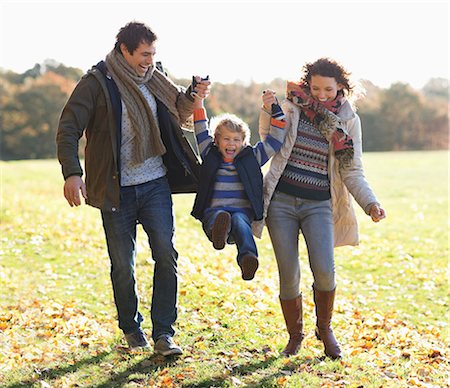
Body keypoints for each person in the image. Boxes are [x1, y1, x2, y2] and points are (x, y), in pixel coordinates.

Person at [56, 21, 210, 355]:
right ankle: (131, 327)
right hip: (116, 189)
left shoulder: (155, 77)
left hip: (155, 183)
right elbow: (68, 127)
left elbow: (178, 112)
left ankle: (164, 334)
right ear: (124, 51)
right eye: (143, 54)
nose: (149, 60)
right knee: (122, 265)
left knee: (166, 255)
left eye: (153, 54)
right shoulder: (96, 83)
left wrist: (193, 96)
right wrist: (72, 172)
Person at [254, 58, 386, 359]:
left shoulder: (349, 120)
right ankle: (295, 335)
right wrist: (267, 109)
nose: (322, 95)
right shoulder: (292, 106)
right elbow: (268, 137)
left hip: (319, 205)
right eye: (315, 88)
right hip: (281, 203)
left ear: (341, 87)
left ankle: (324, 329)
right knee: (289, 275)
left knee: (325, 271)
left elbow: (352, 169)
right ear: (307, 85)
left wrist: (370, 203)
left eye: (328, 89)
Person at [190, 85, 286, 281]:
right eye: (226, 139)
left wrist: (274, 107)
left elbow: (275, 141)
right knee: (219, 216)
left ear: (244, 142)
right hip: (213, 211)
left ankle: (248, 258)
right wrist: (199, 101)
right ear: (216, 141)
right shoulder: (209, 153)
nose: (231, 144)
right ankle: (219, 233)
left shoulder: (252, 157)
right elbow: (200, 128)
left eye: (236, 140)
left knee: (241, 223)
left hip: (241, 211)